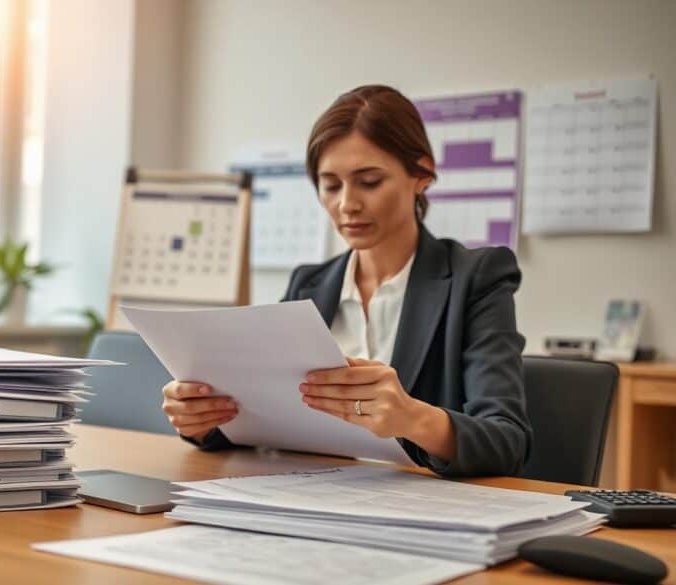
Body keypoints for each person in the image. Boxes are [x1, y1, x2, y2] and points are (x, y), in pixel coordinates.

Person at [160, 84, 532, 477]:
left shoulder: (476, 278)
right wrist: (202, 420)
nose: (347, 204)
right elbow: (264, 417)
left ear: (421, 174)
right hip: (309, 495)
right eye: (331, 184)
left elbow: (506, 441)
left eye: (369, 182)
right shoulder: (308, 284)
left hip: (417, 508)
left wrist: (411, 417)